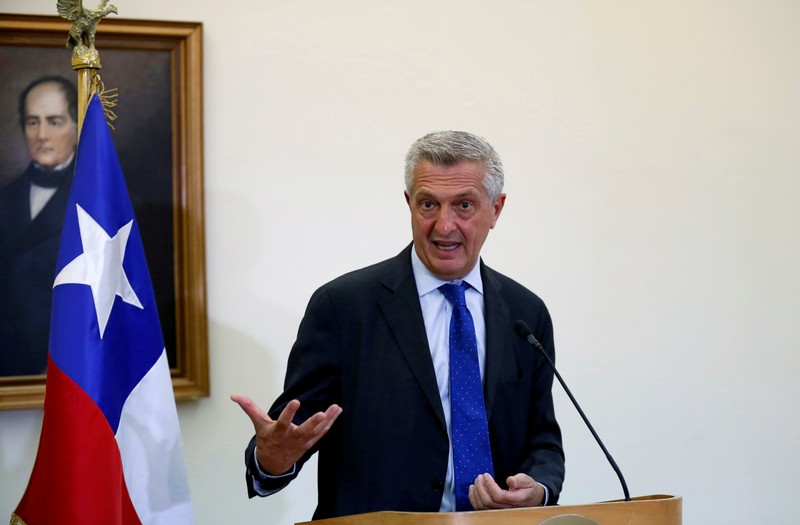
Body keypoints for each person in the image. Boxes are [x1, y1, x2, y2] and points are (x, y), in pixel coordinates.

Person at [232, 130, 565, 520]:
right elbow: (292, 434)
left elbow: (542, 441)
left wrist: (539, 489)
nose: (444, 226)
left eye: (463, 206)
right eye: (428, 204)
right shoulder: (343, 307)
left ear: (496, 209)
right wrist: (271, 460)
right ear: (409, 203)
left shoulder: (526, 313)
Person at [0, 76, 79, 376]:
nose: (42, 134)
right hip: (10, 367)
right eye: (33, 122)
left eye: (55, 122)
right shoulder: (4, 200)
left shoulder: (101, 206)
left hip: (66, 365)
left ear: (76, 126)